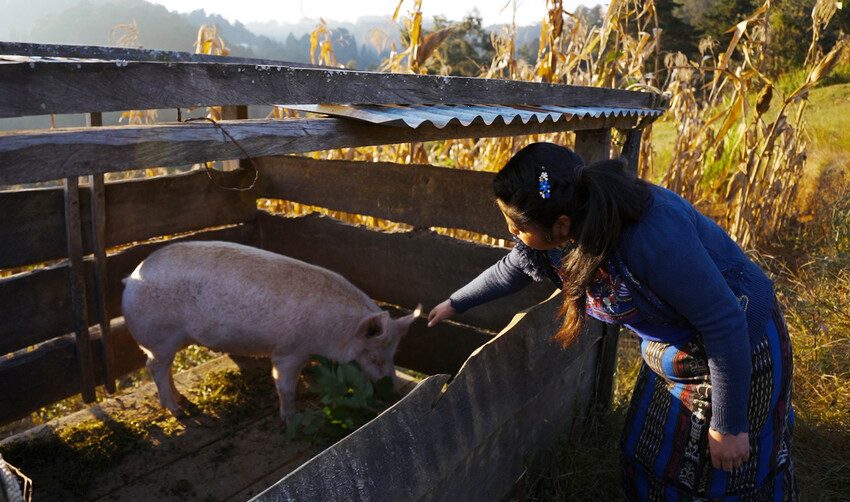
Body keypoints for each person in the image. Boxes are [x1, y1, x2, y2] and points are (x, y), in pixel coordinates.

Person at [427, 142, 796, 500]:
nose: (513, 235)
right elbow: (511, 269)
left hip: (739, 343)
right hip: (678, 348)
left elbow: (724, 322)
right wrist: (455, 303)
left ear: (560, 225)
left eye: (517, 228)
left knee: (724, 470)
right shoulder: (563, 234)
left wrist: (728, 425)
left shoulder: (650, 234)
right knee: (649, 458)